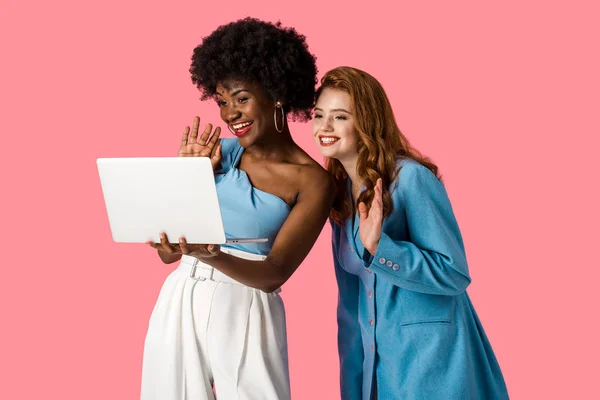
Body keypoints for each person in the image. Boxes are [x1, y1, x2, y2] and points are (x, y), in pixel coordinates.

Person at [140, 18, 334, 400]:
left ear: (277, 93)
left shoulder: (312, 181)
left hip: (245, 305)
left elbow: (274, 274)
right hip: (181, 295)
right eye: (223, 102)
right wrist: (185, 179)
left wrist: (210, 254)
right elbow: (167, 254)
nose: (230, 115)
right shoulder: (218, 155)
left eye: (241, 98)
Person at [312, 66, 509, 399]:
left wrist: (380, 248)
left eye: (340, 117)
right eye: (319, 115)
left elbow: (454, 273)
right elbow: (349, 307)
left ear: (366, 123)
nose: (325, 127)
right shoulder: (339, 196)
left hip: (433, 362)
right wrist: (352, 385)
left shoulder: (411, 179)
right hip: (378, 366)